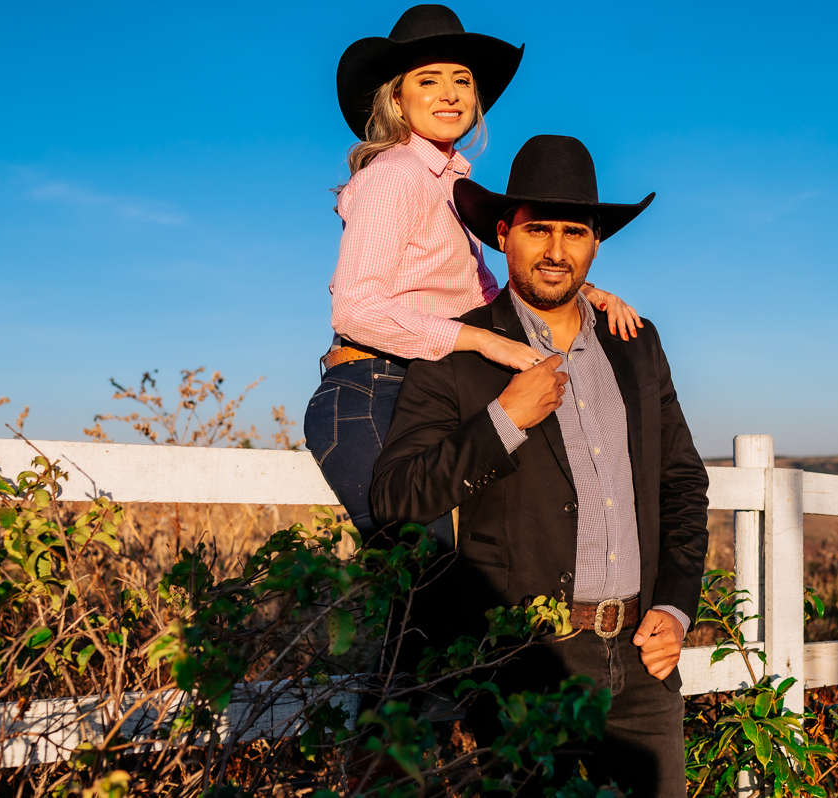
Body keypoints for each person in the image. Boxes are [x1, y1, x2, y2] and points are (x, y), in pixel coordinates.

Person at [370, 135, 710, 796]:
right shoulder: (458, 353)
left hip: (645, 662)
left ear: (596, 243)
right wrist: (503, 421)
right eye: (538, 230)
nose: (556, 250)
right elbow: (395, 495)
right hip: (526, 665)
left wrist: (675, 607)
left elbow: (682, 484)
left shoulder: (636, 343)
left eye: (574, 232)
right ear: (504, 234)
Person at [305, 5, 643, 536]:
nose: (450, 94)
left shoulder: (448, 187)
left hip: (415, 389)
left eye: (462, 81)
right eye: (429, 80)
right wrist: (486, 343)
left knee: (440, 583)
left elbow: (489, 295)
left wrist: (585, 291)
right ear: (398, 98)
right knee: (418, 578)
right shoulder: (395, 175)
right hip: (372, 390)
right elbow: (356, 310)